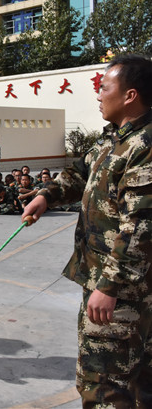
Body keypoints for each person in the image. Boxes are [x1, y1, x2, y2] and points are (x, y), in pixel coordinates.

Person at [22, 54, 152, 408]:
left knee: (104, 386)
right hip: (112, 283)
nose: (98, 94)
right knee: (137, 383)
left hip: (124, 293)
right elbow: (80, 171)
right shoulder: (115, 138)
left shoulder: (144, 146)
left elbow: (140, 226)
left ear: (130, 95)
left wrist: (110, 286)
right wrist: (46, 196)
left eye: (104, 87)